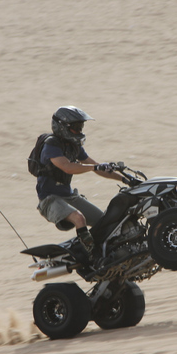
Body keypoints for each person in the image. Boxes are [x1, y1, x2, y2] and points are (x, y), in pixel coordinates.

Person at [35, 106, 124, 267]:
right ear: (62, 127)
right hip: (50, 200)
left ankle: (109, 253)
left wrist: (125, 180)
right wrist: (94, 168)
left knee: (104, 221)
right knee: (79, 218)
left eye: (80, 127)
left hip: (69, 197)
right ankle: (92, 258)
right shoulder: (52, 145)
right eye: (76, 127)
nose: (79, 130)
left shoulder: (74, 146)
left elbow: (96, 166)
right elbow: (67, 167)